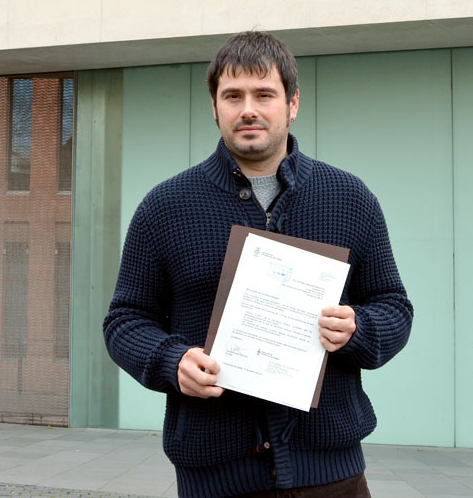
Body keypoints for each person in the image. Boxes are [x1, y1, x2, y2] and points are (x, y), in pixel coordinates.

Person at [103, 31, 413, 498]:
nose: (248, 108)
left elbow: (394, 307)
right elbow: (125, 321)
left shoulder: (350, 199)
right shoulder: (165, 207)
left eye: (264, 94)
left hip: (332, 476)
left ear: (292, 104)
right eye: (233, 96)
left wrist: (359, 329)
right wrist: (172, 360)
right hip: (216, 477)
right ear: (214, 107)